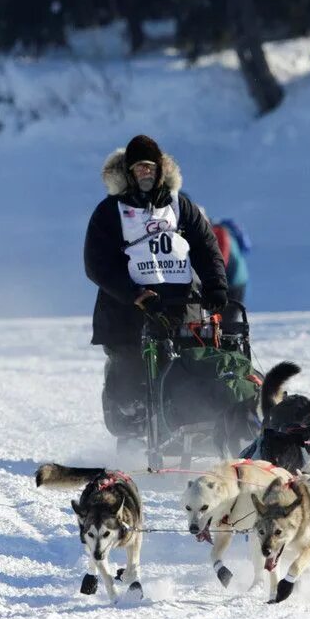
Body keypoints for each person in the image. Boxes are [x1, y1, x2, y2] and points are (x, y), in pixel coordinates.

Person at [84, 135, 228, 438]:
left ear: (160, 170)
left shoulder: (181, 206)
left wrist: (216, 285)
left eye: (150, 168)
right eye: (138, 169)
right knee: (131, 375)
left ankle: (195, 424)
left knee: (194, 366)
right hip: (127, 310)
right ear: (128, 173)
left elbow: (205, 247)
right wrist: (135, 295)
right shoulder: (110, 211)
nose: (145, 174)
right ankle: (134, 432)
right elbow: (97, 265)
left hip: (180, 305)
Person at [211, 218, 250, 304]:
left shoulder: (218, 232)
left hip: (231, 280)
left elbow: (222, 259)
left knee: (225, 315)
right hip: (239, 278)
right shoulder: (227, 231)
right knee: (233, 313)